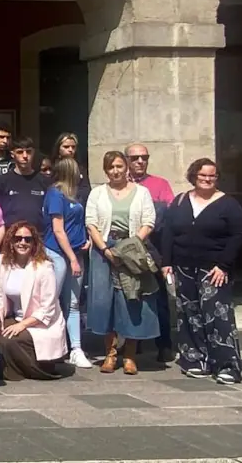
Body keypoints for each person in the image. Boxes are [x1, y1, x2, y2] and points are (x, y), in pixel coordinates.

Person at [161, 158, 242, 384]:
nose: (208, 179)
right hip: (183, 267)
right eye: (203, 175)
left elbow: (238, 235)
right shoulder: (180, 201)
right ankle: (195, 360)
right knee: (189, 314)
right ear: (194, 176)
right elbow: (169, 232)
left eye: (212, 176)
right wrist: (166, 262)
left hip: (214, 269)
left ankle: (226, 365)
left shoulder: (228, 204)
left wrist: (224, 265)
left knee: (218, 316)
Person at [85, 151, 159, 375]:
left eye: (119, 166)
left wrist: (131, 247)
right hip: (104, 250)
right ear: (106, 170)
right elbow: (91, 223)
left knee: (132, 300)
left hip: (132, 250)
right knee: (104, 301)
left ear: (126, 167)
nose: (115, 171)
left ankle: (129, 355)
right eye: (111, 168)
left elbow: (149, 221)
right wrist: (106, 250)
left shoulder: (142, 192)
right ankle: (110, 353)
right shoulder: (97, 193)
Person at [0, 222, 66, 381]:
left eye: (28, 239)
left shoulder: (44, 267)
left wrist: (22, 325)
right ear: (11, 242)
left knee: (8, 340)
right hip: (16, 316)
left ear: (34, 243)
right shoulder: (2, 262)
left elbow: (48, 307)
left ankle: (37, 371)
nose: (22, 243)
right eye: (18, 238)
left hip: (41, 322)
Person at [127, 143, 178, 363]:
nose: (140, 161)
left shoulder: (160, 184)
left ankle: (164, 344)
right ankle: (132, 343)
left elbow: (169, 218)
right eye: (135, 158)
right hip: (129, 250)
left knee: (160, 299)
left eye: (144, 157)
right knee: (131, 296)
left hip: (154, 248)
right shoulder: (120, 184)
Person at [42, 157, 92, 369]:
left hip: (76, 253)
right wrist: (72, 258)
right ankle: (53, 346)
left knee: (72, 303)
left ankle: (76, 348)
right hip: (58, 254)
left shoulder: (74, 196)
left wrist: (86, 239)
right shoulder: (55, 194)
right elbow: (58, 229)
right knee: (53, 301)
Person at [0, 137, 50, 230]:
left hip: (39, 236)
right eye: (20, 152)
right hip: (10, 236)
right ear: (12, 154)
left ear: (33, 153)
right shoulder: (2, 181)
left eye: (28, 152)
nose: (25, 156)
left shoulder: (44, 181)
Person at [52, 132, 90, 203]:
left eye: (73, 147)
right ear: (58, 148)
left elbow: (85, 190)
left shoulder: (81, 169)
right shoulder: (52, 167)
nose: (70, 150)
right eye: (66, 147)